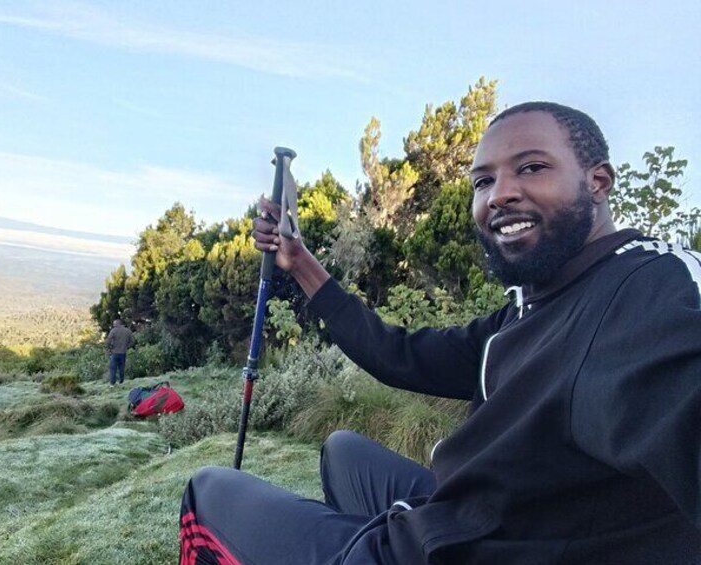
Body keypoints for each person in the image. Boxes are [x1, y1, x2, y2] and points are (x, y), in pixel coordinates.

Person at [178, 102, 701, 564]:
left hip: (480, 548)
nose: (500, 195)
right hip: (478, 517)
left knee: (208, 490)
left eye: (532, 167)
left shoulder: (648, 288)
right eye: (483, 182)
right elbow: (398, 355)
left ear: (598, 181)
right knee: (342, 451)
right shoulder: (532, 307)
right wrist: (301, 263)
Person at [105, 319, 134, 385]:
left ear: (117, 324)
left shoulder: (113, 331)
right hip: (123, 352)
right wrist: (127, 346)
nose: (113, 325)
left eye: (114, 324)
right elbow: (132, 341)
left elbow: (108, 341)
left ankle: (112, 383)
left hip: (114, 352)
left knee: (113, 368)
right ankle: (121, 381)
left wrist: (109, 349)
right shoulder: (127, 331)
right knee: (121, 368)